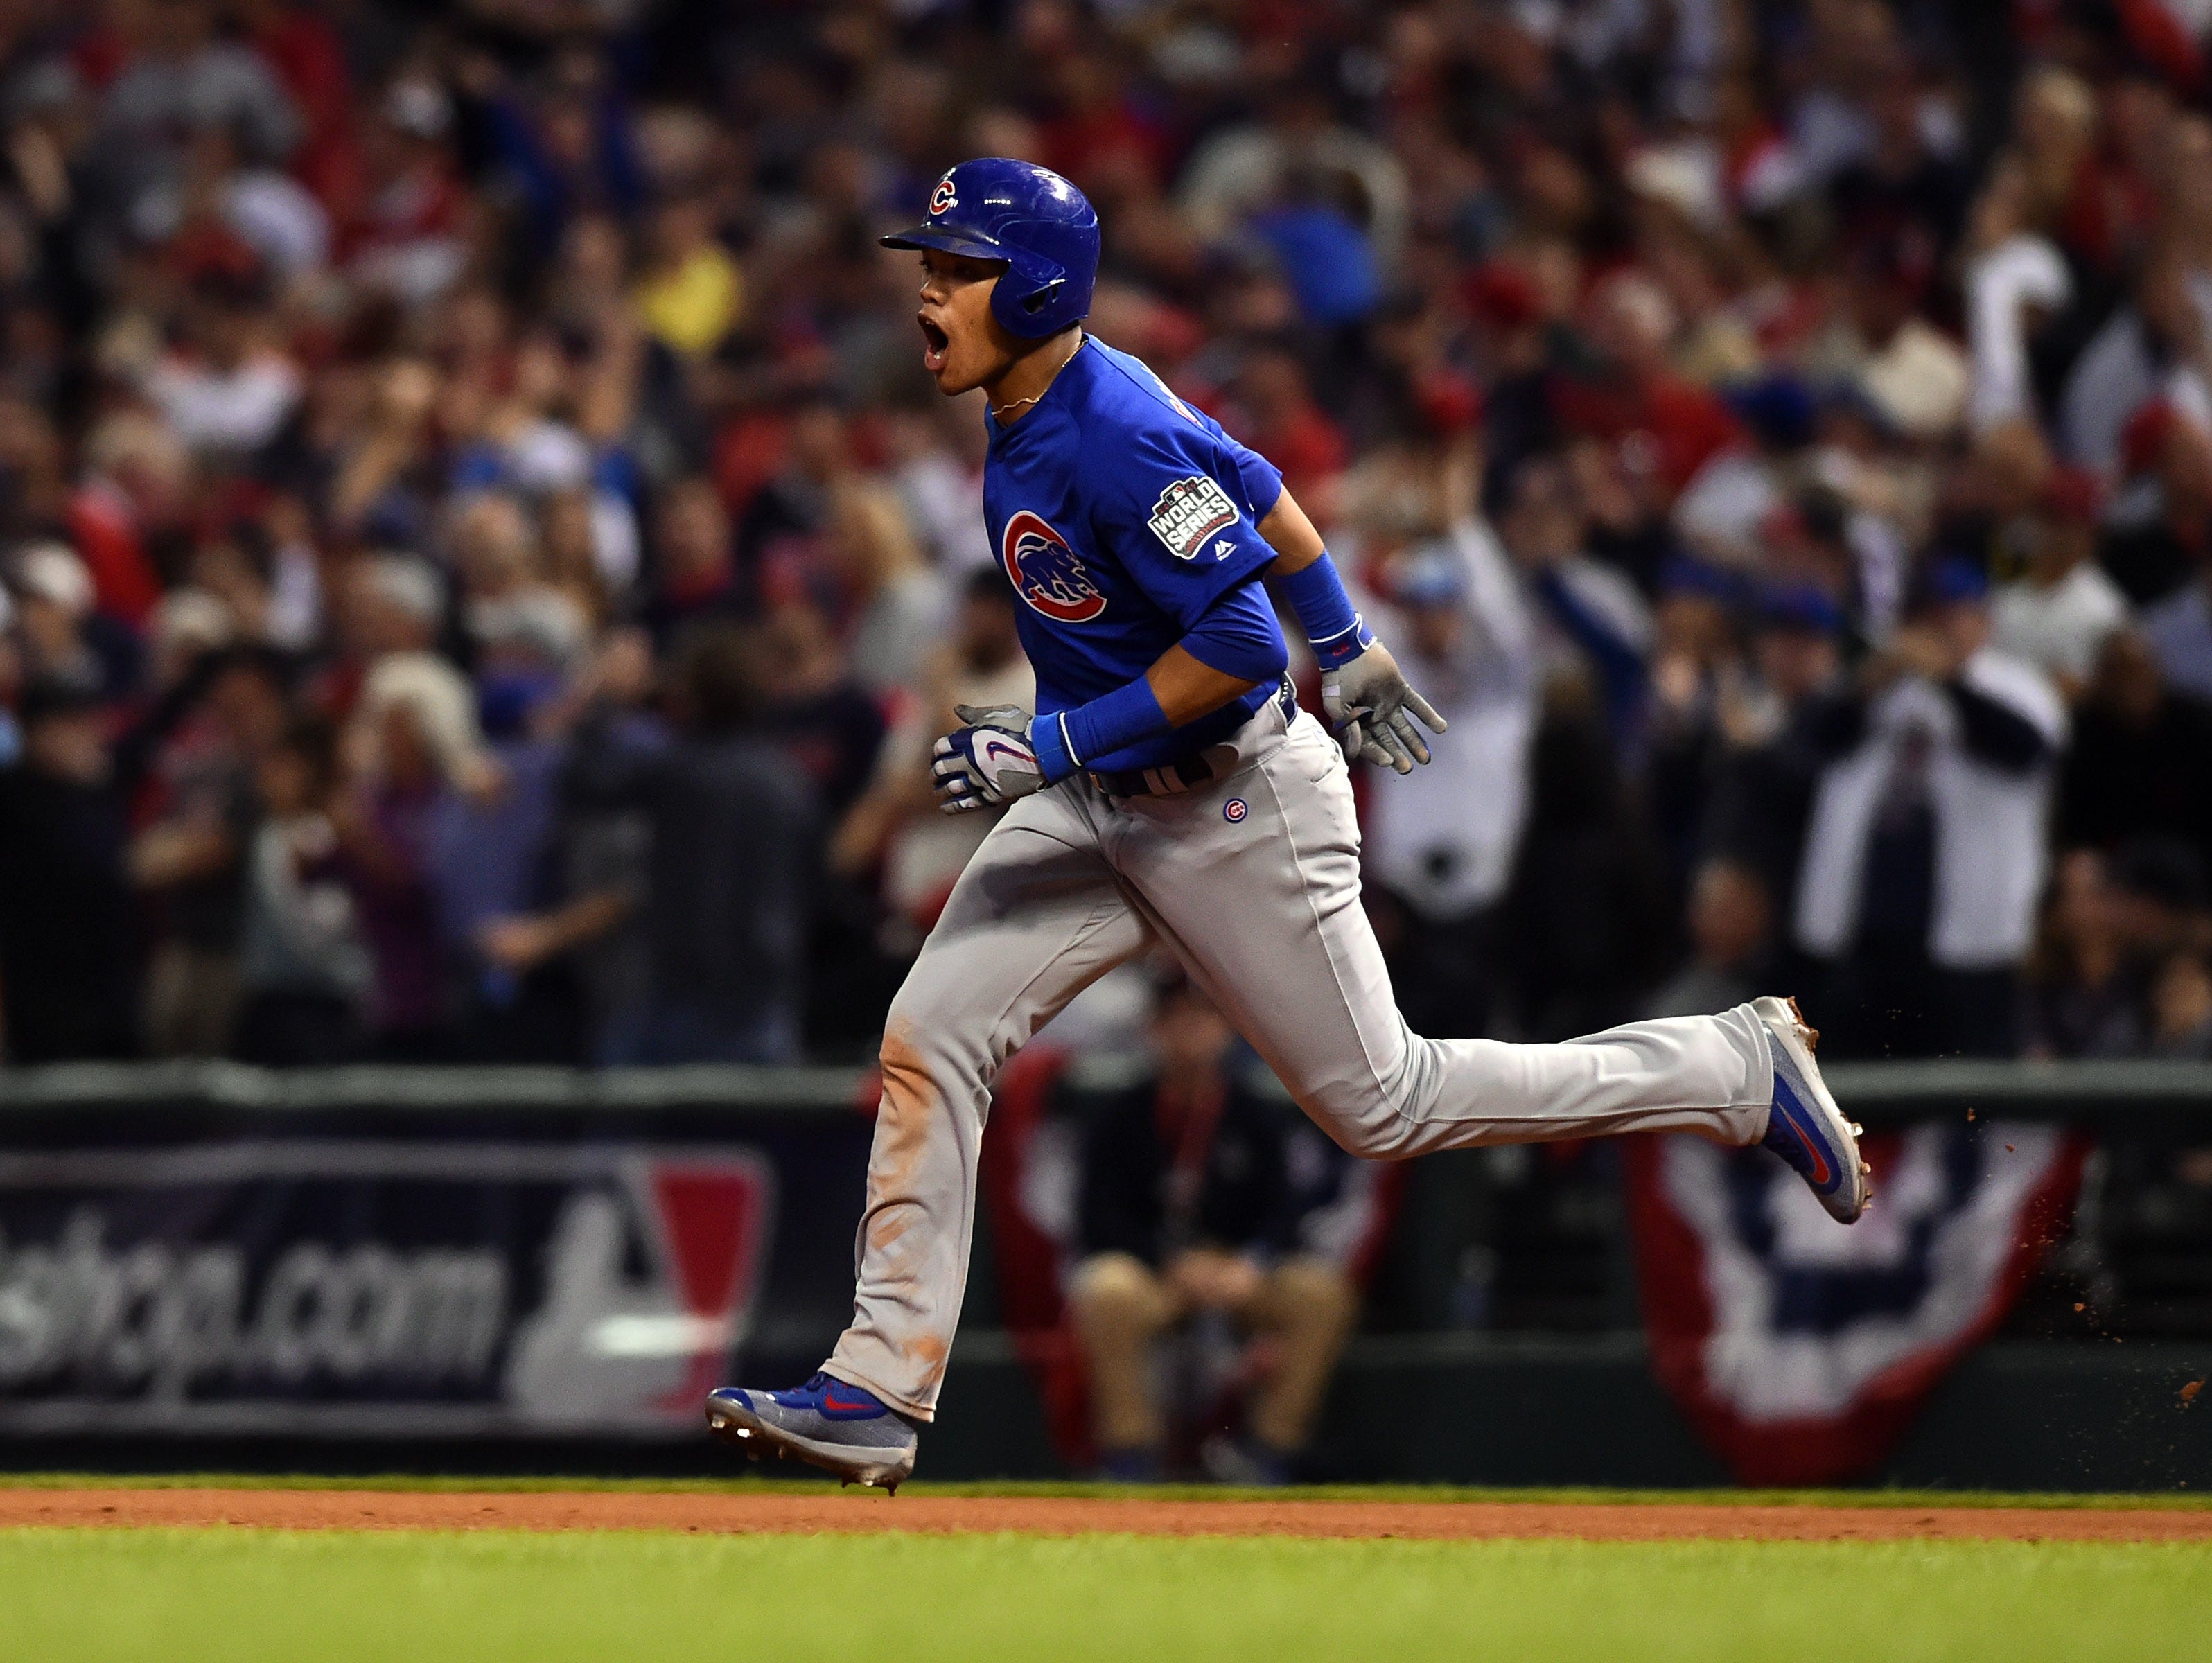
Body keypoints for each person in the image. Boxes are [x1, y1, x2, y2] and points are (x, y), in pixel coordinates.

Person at [700, 159, 1869, 1491]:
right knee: (932, 1032)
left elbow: (1241, 645)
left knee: (1391, 1104)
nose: (927, 292)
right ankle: (876, 1387)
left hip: (1230, 804)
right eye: (930, 265)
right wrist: (1350, 639)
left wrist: (1061, 739)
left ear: (1033, 289)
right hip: (1108, 798)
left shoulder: (1106, 430)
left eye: (958, 269)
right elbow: (1253, 484)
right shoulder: (1050, 400)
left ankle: (1731, 1066)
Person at [1065, 974, 1358, 1485]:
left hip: (1236, 1271)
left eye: (1202, 1019)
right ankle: (1131, 1453)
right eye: (1176, 1020)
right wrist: (1168, 1262)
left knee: (1318, 1294)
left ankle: (1269, 1451)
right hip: (1158, 1272)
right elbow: (1097, 1219)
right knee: (1106, 1289)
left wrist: (1252, 1262)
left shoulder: (1254, 1113)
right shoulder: (1121, 1116)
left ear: (1226, 1029)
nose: (1191, 1034)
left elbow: (1285, 1211)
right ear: (1153, 1030)